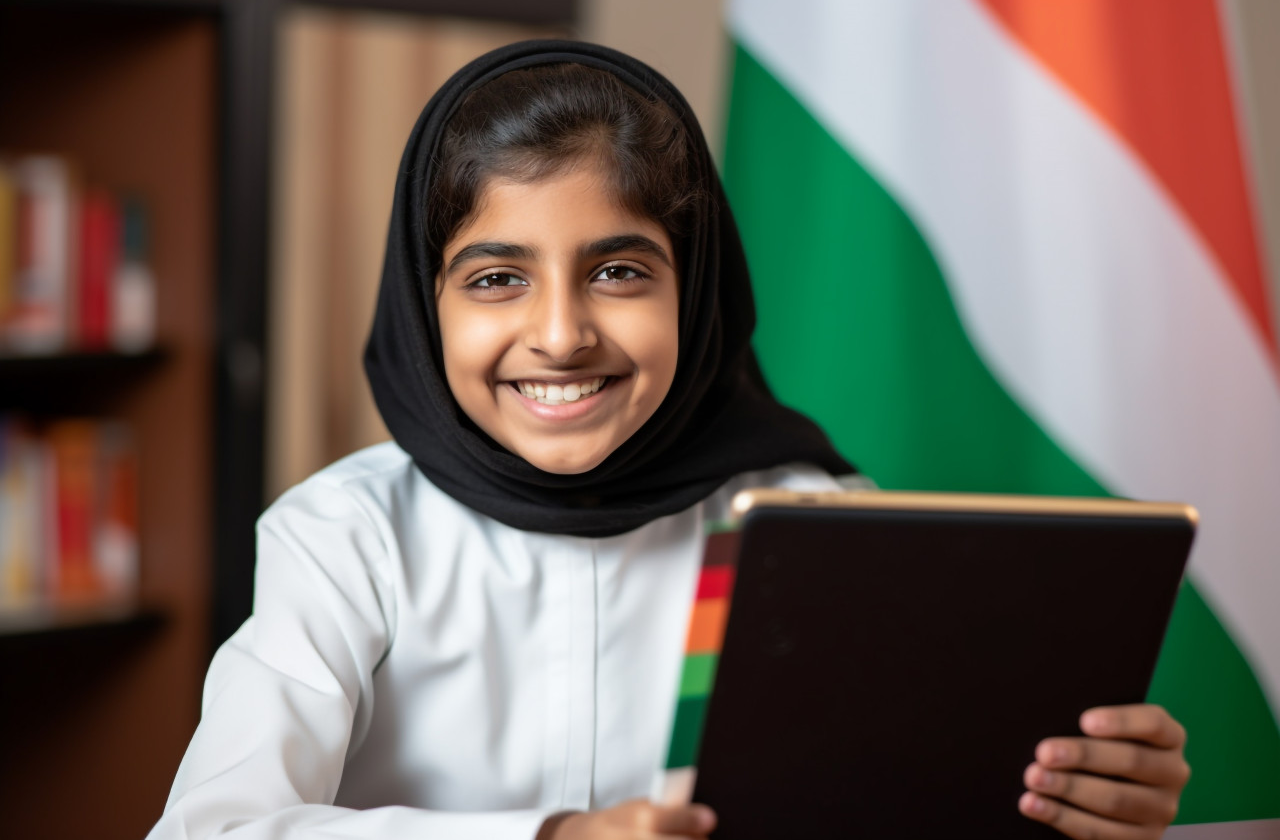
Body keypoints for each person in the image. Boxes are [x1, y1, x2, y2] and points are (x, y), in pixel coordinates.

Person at [148, 41, 1190, 840]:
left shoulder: (816, 524)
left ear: (695, 296)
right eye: (495, 277)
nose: (559, 335)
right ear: (424, 308)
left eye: (619, 271)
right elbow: (213, 827)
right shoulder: (346, 536)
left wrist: (1070, 808)